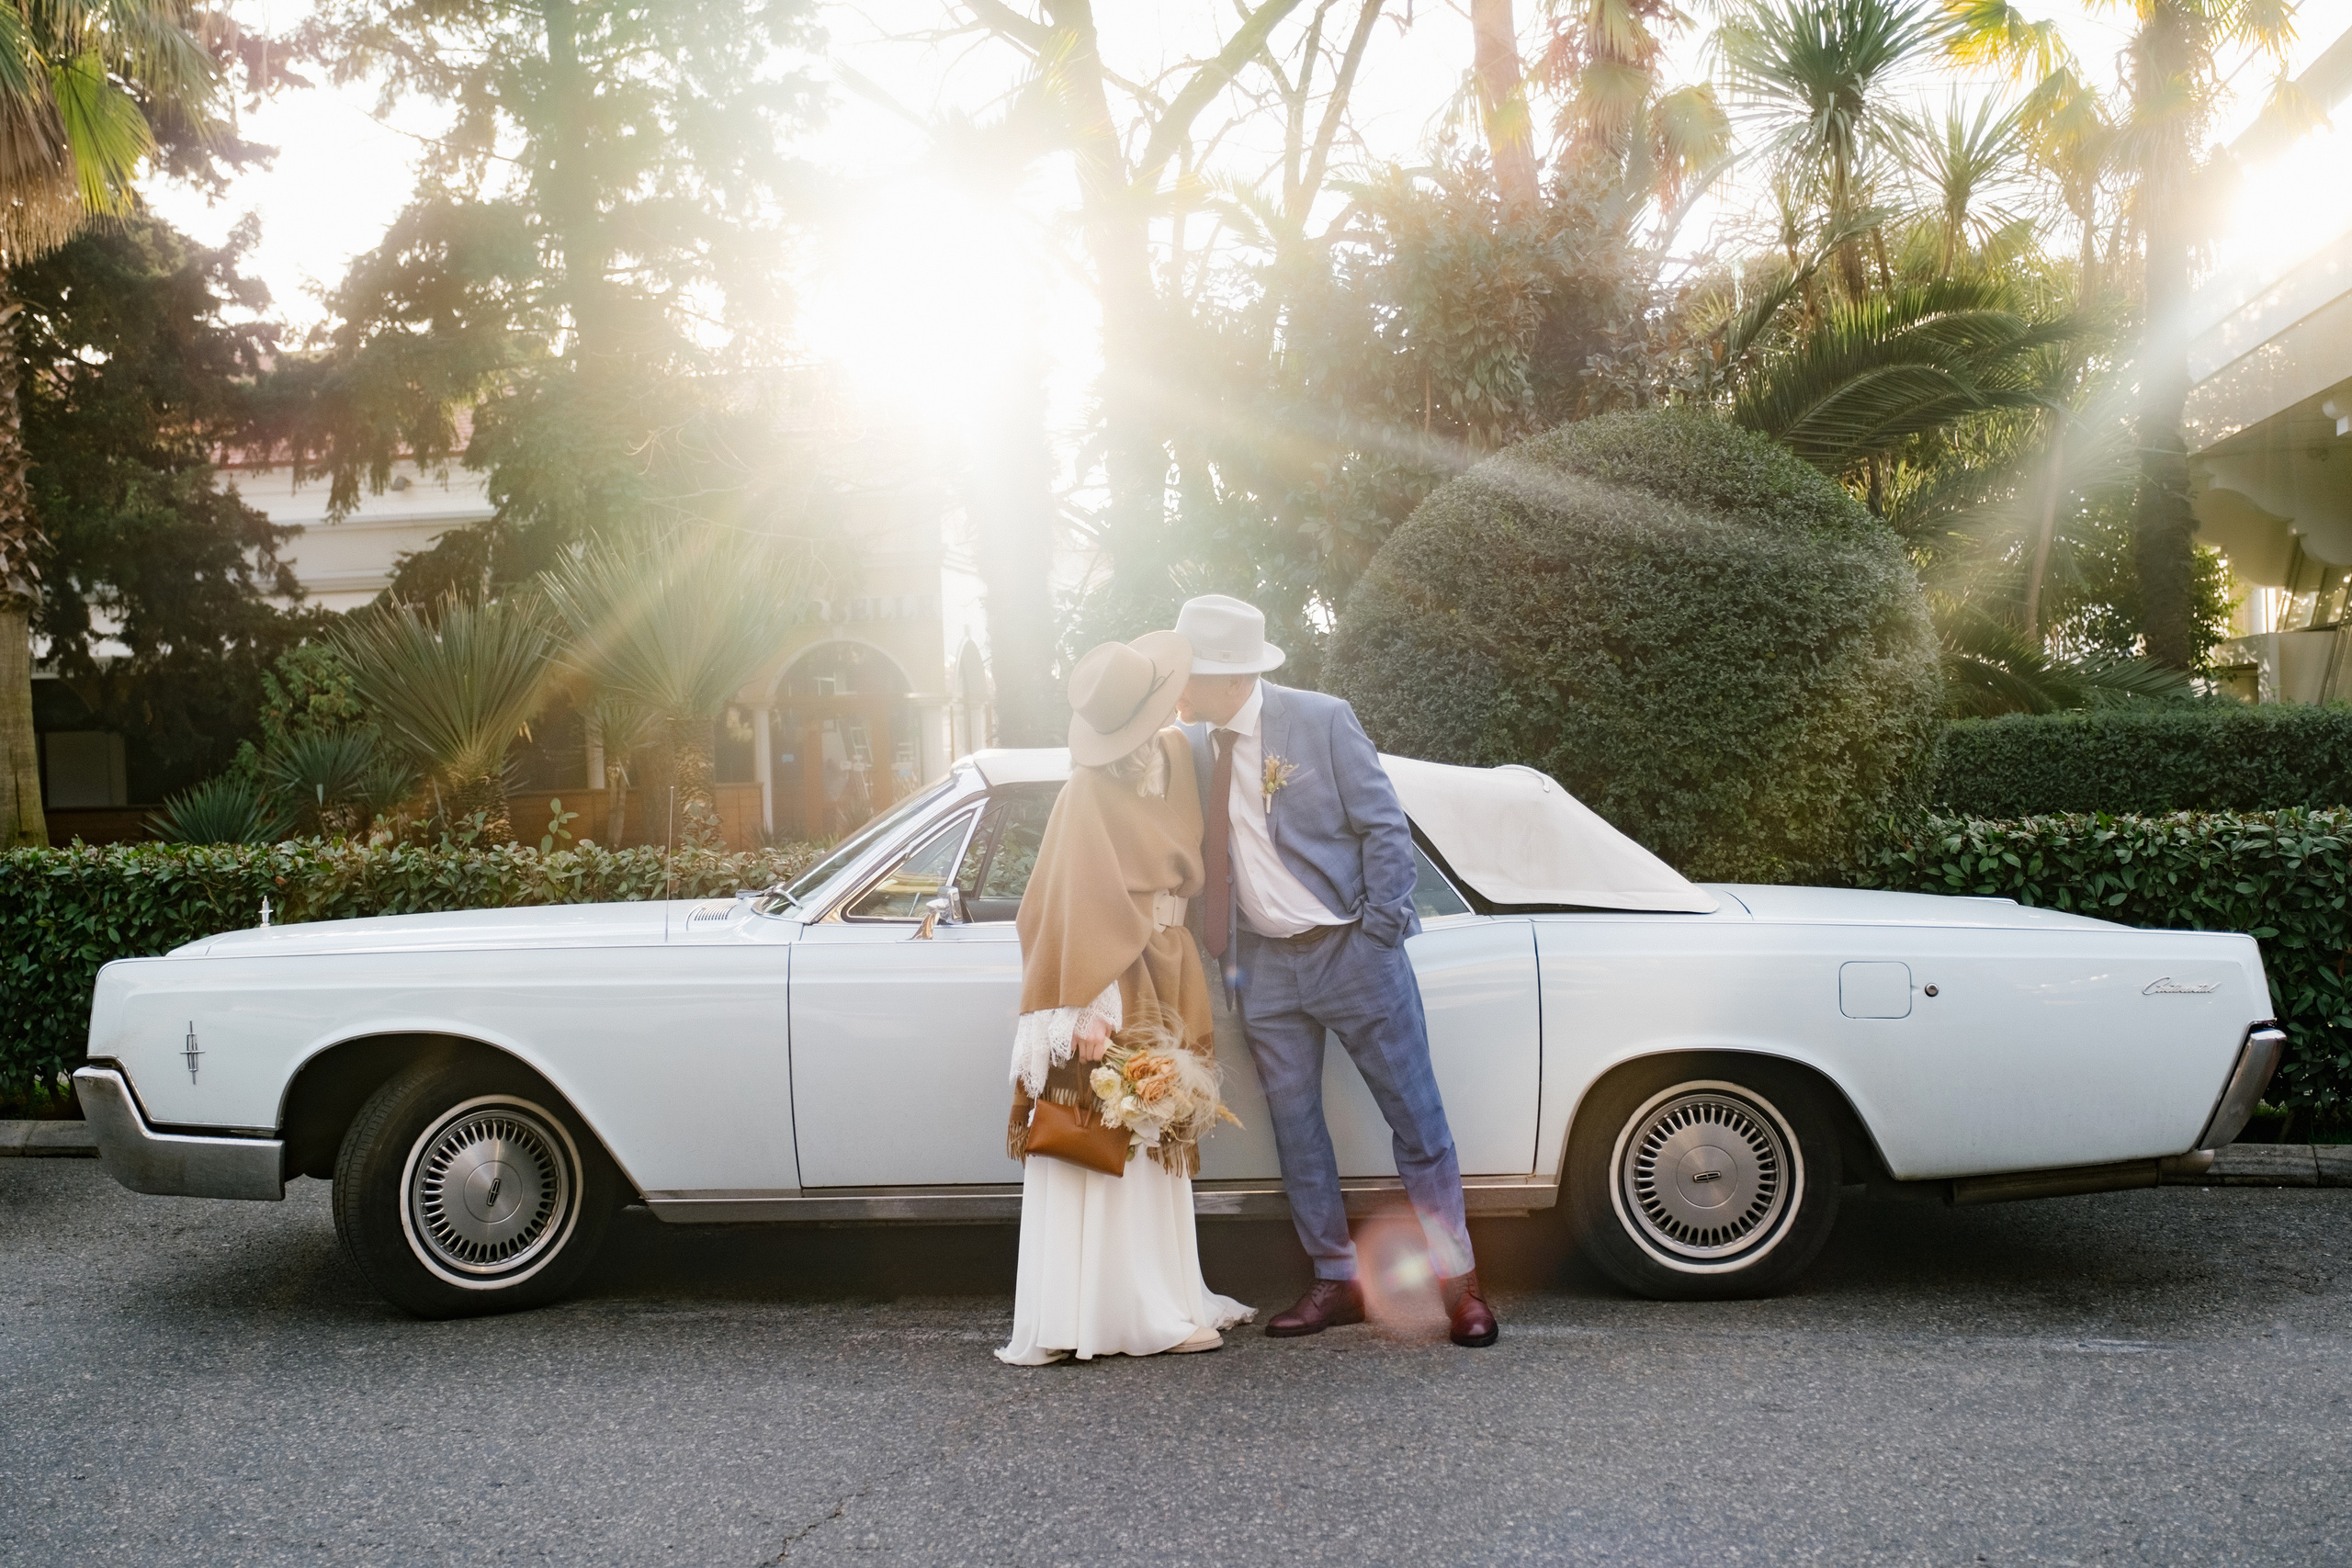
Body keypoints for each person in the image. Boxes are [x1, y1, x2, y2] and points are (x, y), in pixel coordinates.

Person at [1170, 593, 1499, 1348]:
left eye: (1191, 676)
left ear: (1230, 677)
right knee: (1297, 1129)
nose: (1183, 691)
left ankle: (1459, 1285)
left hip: (1352, 952)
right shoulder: (1192, 745)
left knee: (1417, 1122)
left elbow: (1384, 826)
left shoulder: (1319, 719)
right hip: (1260, 966)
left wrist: (1379, 932)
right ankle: (1334, 1277)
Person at [996, 630, 1255, 1365]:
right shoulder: (1085, 790)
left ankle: (1159, 1295)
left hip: (1167, 968)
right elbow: (1066, 901)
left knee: (1150, 1127)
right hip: (1113, 977)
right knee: (1100, 1121)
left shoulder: (1176, 756)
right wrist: (1086, 1006)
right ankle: (1088, 1314)